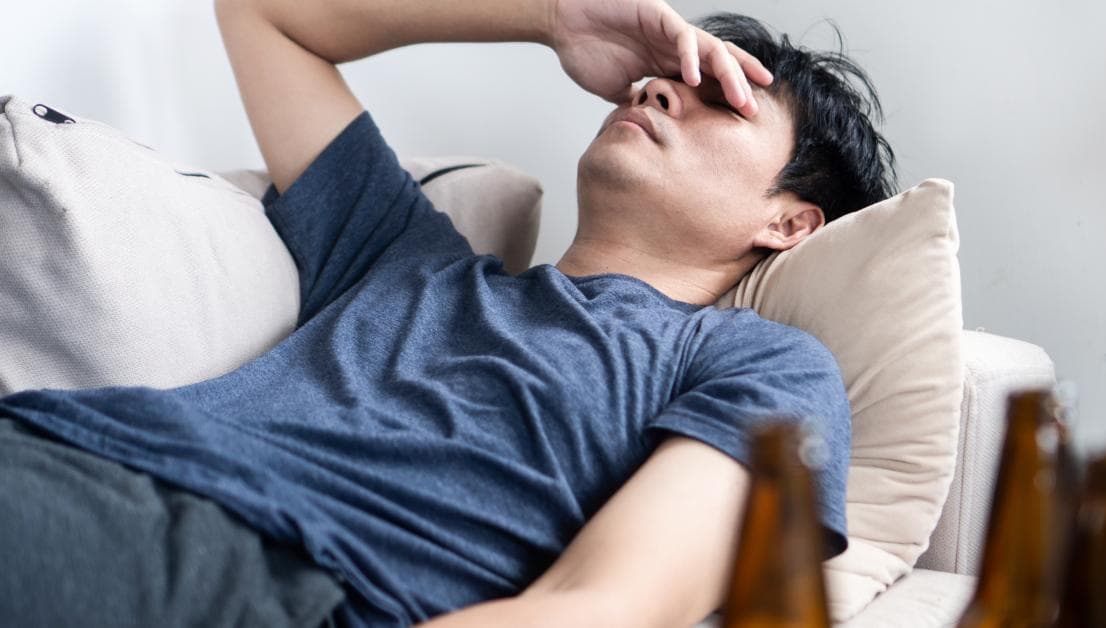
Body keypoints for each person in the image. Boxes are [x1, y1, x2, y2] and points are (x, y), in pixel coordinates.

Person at [0, 0, 896, 626]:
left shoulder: (763, 363)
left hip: (250, 557)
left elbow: (600, 609)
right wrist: (553, 15)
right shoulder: (402, 250)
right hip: (60, 441)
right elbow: (263, 14)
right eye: (668, 75)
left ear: (788, 222)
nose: (659, 90)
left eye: (720, 104)